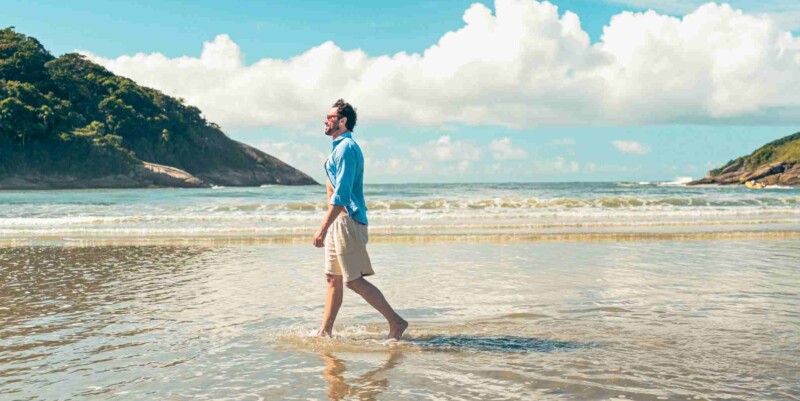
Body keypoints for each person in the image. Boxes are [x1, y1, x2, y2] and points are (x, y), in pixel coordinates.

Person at [312, 99, 408, 340]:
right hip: (338, 222)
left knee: (353, 280)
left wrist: (322, 228)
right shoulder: (338, 148)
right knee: (332, 279)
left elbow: (342, 195)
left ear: (342, 121)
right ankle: (325, 331)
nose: (326, 120)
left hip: (347, 221)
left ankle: (396, 323)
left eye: (330, 117)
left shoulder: (346, 149)